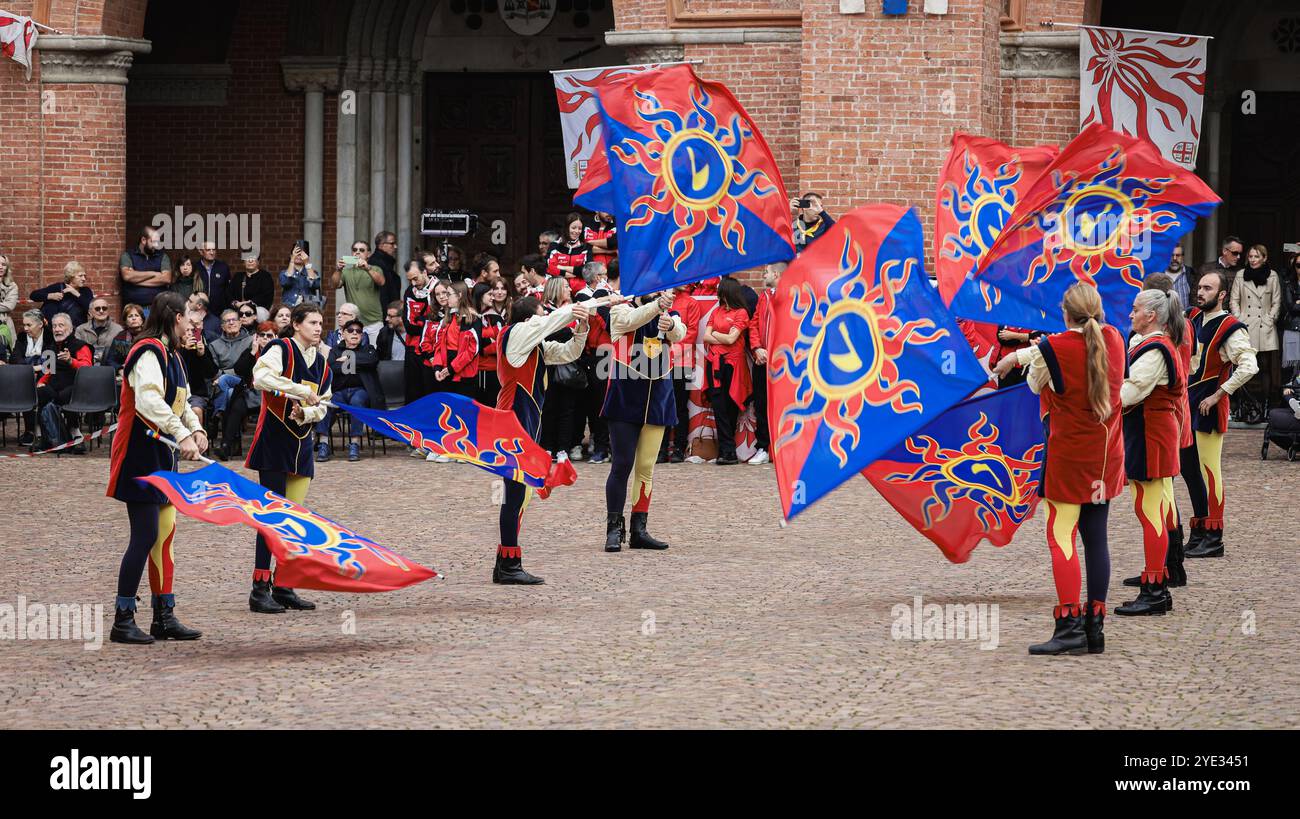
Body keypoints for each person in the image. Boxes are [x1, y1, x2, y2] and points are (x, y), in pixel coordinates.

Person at [994, 282, 1125, 656]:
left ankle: (1068, 626)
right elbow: (1070, 345)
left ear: (1064, 313)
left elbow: (1037, 384)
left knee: (1061, 535)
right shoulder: (1113, 338)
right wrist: (1025, 353)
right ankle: (1095, 626)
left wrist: (1018, 358)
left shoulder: (1054, 350)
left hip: (1069, 455)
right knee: (1096, 537)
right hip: (1105, 454)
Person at [106, 291, 207, 644]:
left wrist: (195, 428)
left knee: (165, 536)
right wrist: (181, 434)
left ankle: (163, 615)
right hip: (140, 453)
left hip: (162, 453)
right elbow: (148, 399)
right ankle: (122, 618)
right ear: (175, 317)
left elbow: (180, 400)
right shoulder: (147, 350)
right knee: (145, 535)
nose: (194, 325)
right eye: (189, 318)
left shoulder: (173, 355)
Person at [244, 303, 333, 613]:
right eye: (312, 322)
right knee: (270, 517)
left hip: (301, 445)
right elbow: (260, 377)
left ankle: (284, 585)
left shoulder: (323, 363)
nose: (318, 327)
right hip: (274, 442)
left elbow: (324, 404)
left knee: (293, 519)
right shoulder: (281, 348)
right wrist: (296, 390)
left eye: (321, 322)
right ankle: (259, 588)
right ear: (296, 324)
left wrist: (306, 411)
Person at [495, 295, 590, 583]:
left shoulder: (531, 344)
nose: (544, 318)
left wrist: (582, 326)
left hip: (524, 423)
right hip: (513, 423)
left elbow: (568, 352)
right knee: (515, 495)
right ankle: (509, 565)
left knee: (519, 495)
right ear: (528, 320)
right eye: (539, 314)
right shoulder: (515, 335)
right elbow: (547, 322)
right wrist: (572, 310)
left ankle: (506, 563)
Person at [1115, 288, 1188, 616]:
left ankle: (1156, 588)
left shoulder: (1156, 349)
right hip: (1149, 432)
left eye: (1135, 309)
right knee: (1150, 511)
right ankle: (1156, 582)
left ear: (1151, 315)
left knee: (1151, 513)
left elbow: (1129, 393)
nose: (1130, 314)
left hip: (1151, 434)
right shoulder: (1152, 344)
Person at [1181, 270, 1259, 559]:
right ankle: (1199, 529)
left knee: (1209, 471)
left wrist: (1218, 394)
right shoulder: (1193, 318)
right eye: (1199, 287)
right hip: (1189, 404)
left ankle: (1214, 535)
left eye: (1208, 288)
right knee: (1189, 470)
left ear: (1222, 294)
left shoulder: (1231, 328)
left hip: (1208, 405)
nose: (1200, 292)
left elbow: (1249, 366)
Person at [601, 290, 686, 552]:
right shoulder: (619, 307)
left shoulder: (665, 310)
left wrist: (670, 323)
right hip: (626, 395)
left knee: (646, 466)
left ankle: (640, 528)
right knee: (622, 464)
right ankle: (614, 528)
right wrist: (657, 306)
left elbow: (680, 332)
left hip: (658, 397)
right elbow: (629, 322)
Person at [703, 278, 753, 466]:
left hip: (733, 365)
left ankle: (728, 450)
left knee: (731, 405)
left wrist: (715, 335)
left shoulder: (742, 313)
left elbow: (732, 339)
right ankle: (727, 450)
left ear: (726, 292)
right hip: (714, 363)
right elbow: (705, 336)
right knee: (719, 406)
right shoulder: (716, 311)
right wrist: (718, 336)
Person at [316, 319, 379, 463]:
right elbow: (331, 368)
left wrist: (348, 358)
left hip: (361, 391)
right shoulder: (335, 351)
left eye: (358, 331)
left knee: (357, 402)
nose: (355, 333)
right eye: (350, 330)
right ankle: (323, 444)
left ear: (362, 335)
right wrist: (357, 363)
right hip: (339, 392)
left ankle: (355, 444)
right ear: (343, 334)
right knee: (325, 403)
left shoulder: (369, 349)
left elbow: (371, 361)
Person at [213, 321, 277, 461]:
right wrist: (253, 352)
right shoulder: (251, 352)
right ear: (256, 337)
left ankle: (266, 450)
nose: (265, 338)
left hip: (271, 394)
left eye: (269, 335)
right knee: (235, 406)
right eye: (262, 335)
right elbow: (239, 370)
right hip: (251, 393)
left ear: (275, 337)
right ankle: (226, 446)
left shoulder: (279, 354)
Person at [1229, 244, 1283, 408]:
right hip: (1245, 327)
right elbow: (1234, 300)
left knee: (1264, 367)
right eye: (1250, 256)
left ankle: (1265, 404)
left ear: (1264, 258)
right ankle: (1240, 404)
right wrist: (1238, 319)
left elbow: (1276, 301)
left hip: (1264, 327)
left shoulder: (1272, 276)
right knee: (1242, 366)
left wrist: (1269, 319)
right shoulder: (1240, 275)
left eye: (1256, 256)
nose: (1252, 260)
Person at [538, 276, 581, 461]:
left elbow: (577, 333)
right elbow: (545, 332)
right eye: (566, 287)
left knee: (567, 407)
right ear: (556, 289)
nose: (569, 290)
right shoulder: (543, 310)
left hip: (567, 363)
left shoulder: (572, 309)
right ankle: (546, 446)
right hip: (548, 364)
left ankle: (563, 447)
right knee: (548, 406)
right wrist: (565, 332)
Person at [744, 263, 780, 465]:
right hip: (762, 360)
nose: (762, 275)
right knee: (761, 403)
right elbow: (754, 324)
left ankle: (781, 449)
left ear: (776, 274)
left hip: (783, 362)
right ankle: (763, 446)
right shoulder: (763, 297)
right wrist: (757, 348)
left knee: (782, 406)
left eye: (765, 272)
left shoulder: (791, 297)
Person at [663, 283, 703, 463]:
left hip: (681, 361)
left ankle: (678, 447)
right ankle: (660, 448)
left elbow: (691, 333)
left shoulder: (690, 303)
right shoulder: (660, 302)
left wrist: (671, 352)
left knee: (679, 406)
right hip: (660, 361)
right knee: (661, 405)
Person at [430, 280, 480, 397]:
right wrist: (437, 367)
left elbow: (472, 350)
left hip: (463, 375)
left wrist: (452, 368)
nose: (445, 297)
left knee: (463, 412)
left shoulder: (471, 319)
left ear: (459, 295)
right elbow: (439, 346)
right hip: (446, 373)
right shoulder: (448, 318)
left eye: (448, 294)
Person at [332, 240, 386, 344]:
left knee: (374, 355)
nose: (357, 252)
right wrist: (338, 269)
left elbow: (381, 282)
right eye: (354, 250)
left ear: (368, 254)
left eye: (361, 250)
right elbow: (334, 285)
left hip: (373, 322)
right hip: (353, 324)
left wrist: (367, 268)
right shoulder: (346, 272)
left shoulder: (375, 269)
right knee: (353, 354)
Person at [120, 226, 174, 312]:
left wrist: (136, 280)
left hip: (158, 309)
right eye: (154, 242)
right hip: (135, 310)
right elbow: (127, 276)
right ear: (143, 240)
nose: (156, 245)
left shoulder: (162, 256)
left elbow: (166, 278)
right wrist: (154, 274)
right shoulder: (128, 255)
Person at [474, 277, 510, 406]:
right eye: (490, 294)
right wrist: (486, 342)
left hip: (493, 369)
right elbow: (473, 343)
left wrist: (485, 348)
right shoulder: (471, 317)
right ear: (480, 296)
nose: (493, 297)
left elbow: (502, 343)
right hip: (475, 371)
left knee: (492, 406)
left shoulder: (495, 317)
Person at [30, 261, 93, 328]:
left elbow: (91, 309)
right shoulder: (58, 287)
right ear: (71, 276)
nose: (84, 279)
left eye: (84, 276)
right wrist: (50, 296)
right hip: (54, 331)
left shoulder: (86, 291)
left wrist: (76, 293)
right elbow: (33, 295)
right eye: (80, 276)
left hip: (76, 332)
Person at [546, 213, 593, 295]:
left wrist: (561, 267)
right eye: (573, 228)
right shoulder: (555, 245)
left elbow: (587, 271)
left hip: (580, 291)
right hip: (558, 290)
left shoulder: (586, 247)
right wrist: (566, 274)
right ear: (566, 227)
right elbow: (549, 267)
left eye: (579, 228)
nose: (577, 231)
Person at [75, 297, 124, 364]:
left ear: (108, 311)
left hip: (109, 368)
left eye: (104, 308)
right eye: (97, 309)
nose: (101, 311)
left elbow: (121, 354)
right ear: (90, 312)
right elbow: (76, 352)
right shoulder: (81, 330)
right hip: (87, 368)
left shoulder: (118, 330)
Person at [104, 304, 145, 373]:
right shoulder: (120, 337)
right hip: (125, 372)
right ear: (125, 321)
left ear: (142, 320)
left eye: (137, 315)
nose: (134, 318)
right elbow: (110, 360)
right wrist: (119, 369)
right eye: (130, 316)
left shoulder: (149, 335)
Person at [279, 242, 321, 308]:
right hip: (289, 308)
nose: (298, 256)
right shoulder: (283, 272)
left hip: (308, 308)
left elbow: (315, 285)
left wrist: (307, 262)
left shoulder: (312, 272)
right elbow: (285, 282)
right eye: (296, 253)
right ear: (291, 255)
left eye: (301, 254)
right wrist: (292, 259)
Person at [195, 241, 232, 314]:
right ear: (201, 252)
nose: (212, 253)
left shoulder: (223, 267)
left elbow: (228, 290)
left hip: (219, 312)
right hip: (198, 311)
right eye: (208, 250)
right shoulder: (195, 267)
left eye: (214, 250)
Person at [371, 230, 401, 309]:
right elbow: (383, 292)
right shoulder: (376, 263)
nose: (395, 247)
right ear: (381, 245)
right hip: (382, 312)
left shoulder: (386, 262)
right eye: (392, 243)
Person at [0, 253, 17, 346]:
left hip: (4, 323)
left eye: (3, 264)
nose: (1, 267)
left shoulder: (12, 286)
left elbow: (9, 306)